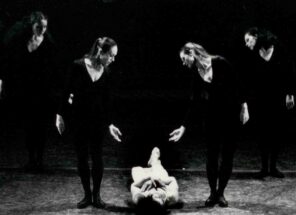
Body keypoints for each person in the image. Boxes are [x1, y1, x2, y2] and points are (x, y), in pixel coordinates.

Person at [169, 42, 248, 207]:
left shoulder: (220, 62)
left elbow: (238, 84)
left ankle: (221, 193)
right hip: (211, 118)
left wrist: (244, 106)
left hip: (230, 116)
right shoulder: (195, 73)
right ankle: (213, 193)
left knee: (227, 156)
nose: (184, 63)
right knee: (211, 157)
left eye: (184, 59)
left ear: (192, 54)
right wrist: (183, 127)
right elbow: (194, 102)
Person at [56, 37, 122, 209]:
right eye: (111, 55)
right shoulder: (77, 66)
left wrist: (110, 124)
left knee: (97, 157)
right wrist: (60, 115)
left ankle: (97, 196)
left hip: (98, 121)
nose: (113, 59)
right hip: (79, 119)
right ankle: (86, 195)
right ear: (101, 52)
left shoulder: (106, 72)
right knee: (82, 157)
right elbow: (66, 91)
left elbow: (108, 101)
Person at [0, 11, 57, 172]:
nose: (42, 30)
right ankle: (32, 159)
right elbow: (9, 63)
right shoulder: (20, 41)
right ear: (32, 26)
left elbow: (54, 69)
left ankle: (39, 159)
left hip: (43, 91)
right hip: (26, 90)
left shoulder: (48, 44)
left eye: (45, 26)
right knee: (28, 125)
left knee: (41, 126)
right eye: (39, 26)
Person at [242, 27, 295, 179]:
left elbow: (289, 71)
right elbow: (247, 77)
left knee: (276, 132)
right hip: (259, 99)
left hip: (277, 97)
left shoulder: (278, 49)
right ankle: (264, 167)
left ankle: (273, 167)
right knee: (262, 133)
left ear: (256, 37)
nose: (247, 44)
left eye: (248, 40)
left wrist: (290, 94)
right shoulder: (253, 54)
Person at [130, 147, 179, 213]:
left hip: (144, 181)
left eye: (155, 197)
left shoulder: (139, 199)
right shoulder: (172, 197)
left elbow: (133, 186)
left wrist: (148, 178)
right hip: (161, 177)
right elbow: (172, 180)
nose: (157, 194)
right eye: (161, 198)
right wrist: (160, 181)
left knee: (135, 170)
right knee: (158, 171)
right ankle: (154, 162)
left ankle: (147, 163)